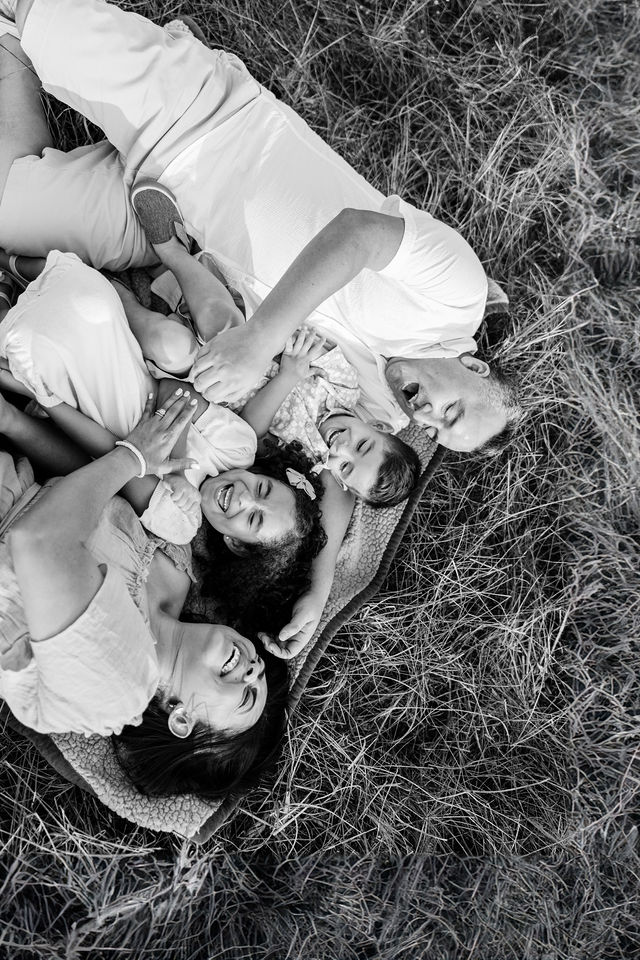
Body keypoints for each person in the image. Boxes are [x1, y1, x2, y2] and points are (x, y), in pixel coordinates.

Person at [0, 0, 522, 464]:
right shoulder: (456, 299)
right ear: (474, 365)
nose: (428, 415)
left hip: (167, 225)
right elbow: (357, 233)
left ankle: (10, 50)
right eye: (450, 411)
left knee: (7, 212)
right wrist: (260, 339)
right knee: (43, 15)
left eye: (435, 429)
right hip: (206, 121)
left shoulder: (380, 386)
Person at [0, 388, 288, 799]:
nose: (251, 667)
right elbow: (85, 482)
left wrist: (131, 458)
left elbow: (38, 541)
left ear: (184, 723)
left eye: (245, 693)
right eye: (259, 668)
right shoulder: (177, 574)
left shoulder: (116, 690)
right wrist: (12, 421)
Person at [123, 182, 422, 509]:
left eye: (346, 467)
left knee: (167, 342)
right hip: (236, 330)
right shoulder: (343, 387)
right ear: (377, 427)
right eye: (363, 444)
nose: (342, 447)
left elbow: (251, 426)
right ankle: (172, 252)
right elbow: (297, 338)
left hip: (207, 377)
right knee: (224, 325)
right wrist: (282, 355)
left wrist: (288, 376)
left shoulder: (301, 459)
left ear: (340, 481)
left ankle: (119, 295)